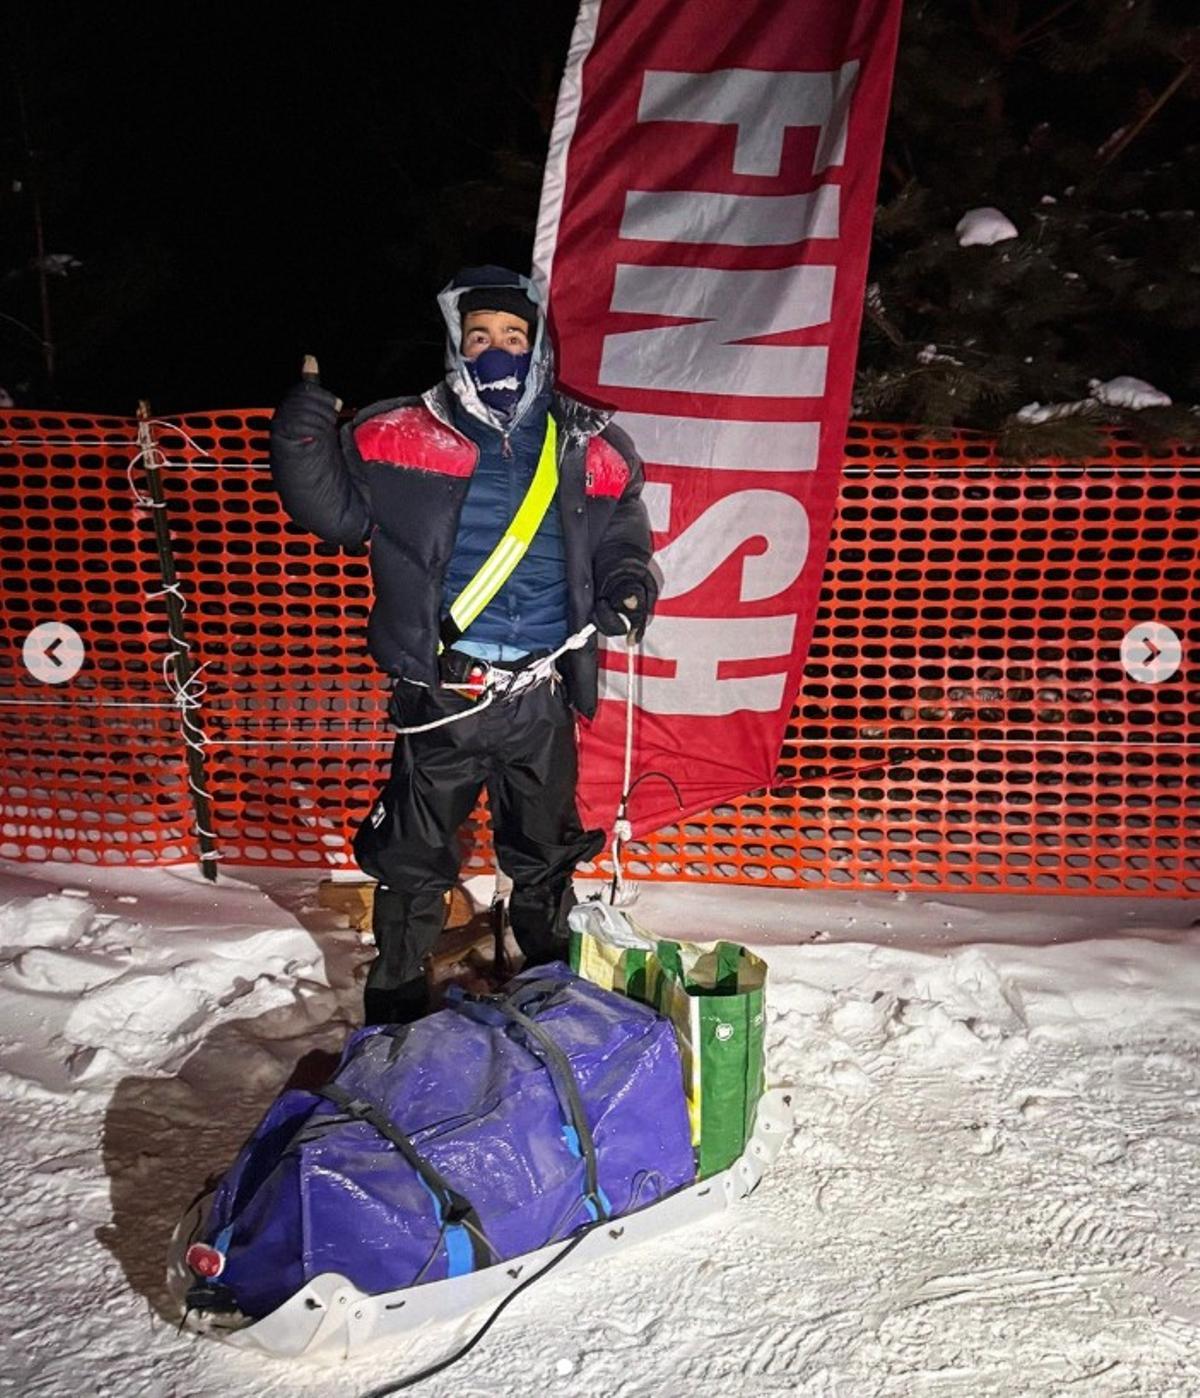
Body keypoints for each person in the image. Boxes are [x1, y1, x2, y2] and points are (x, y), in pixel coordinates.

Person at [269, 266, 656, 1025]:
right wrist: (301, 432)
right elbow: (337, 516)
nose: (497, 350)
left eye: (513, 335)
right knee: (414, 859)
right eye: (479, 336)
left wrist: (628, 583)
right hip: (444, 695)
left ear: (539, 344)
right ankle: (396, 1013)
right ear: (456, 343)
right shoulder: (400, 431)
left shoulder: (589, 442)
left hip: (540, 695)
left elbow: (621, 527)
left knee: (545, 855)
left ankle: (553, 999)